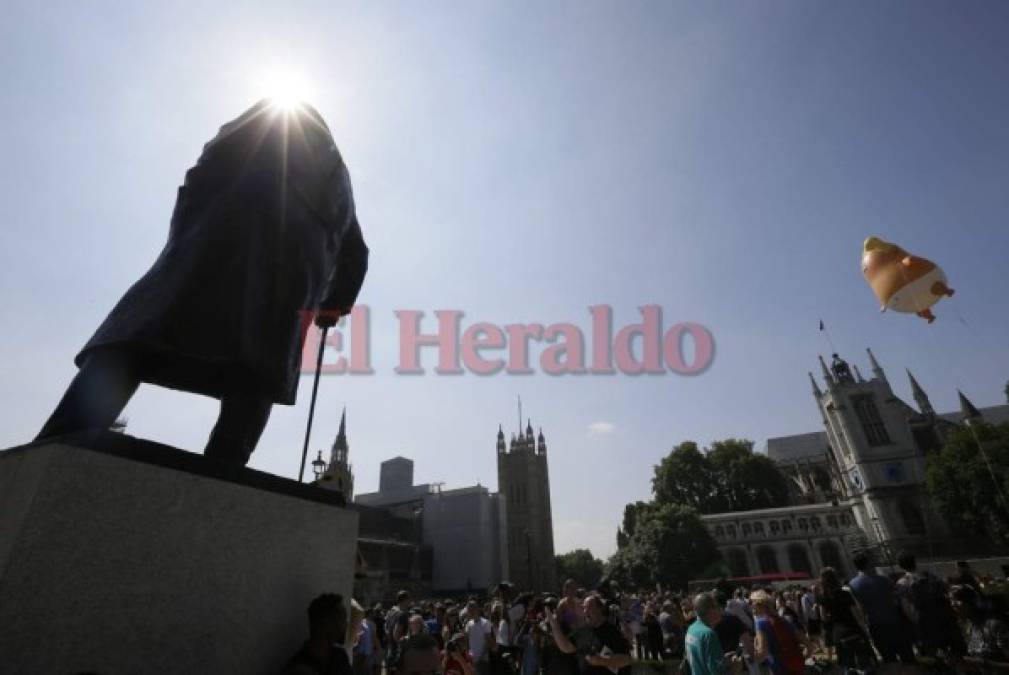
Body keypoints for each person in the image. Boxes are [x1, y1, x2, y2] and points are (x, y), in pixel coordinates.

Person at [35, 99, 369, 465]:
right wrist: (331, 308)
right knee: (257, 370)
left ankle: (67, 432)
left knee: (138, 339)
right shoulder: (339, 177)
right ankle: (226, 465)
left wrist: (188, 228)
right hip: (280, 283)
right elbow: (356, 254)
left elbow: (202, 170)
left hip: (210, 250)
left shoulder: (260, 122)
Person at [847, 552, 916, 666]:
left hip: (875, 626)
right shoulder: (885, 579)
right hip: (895, 622)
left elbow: (860, 610)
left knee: (890, 661)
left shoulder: (853, 585)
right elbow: (897, 600)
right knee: (908, 658)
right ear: (868, 564)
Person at [895, 549, 965, 660]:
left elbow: (906, 609)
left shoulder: (902, 583)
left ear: (900, 566)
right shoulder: (928, 575)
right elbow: (947, 588)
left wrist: (918, 623)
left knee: (936, 656)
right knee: (958, 652)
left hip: (926, 622)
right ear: (915, 561)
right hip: (945, 617)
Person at [545, 594, 633, 675]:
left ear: (600, 609)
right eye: (584, 608)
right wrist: (554, 624)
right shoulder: (583, 631)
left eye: (589, 607)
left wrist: (601, 660)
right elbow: (566, 647)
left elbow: (626, 660)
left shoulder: (612, 631)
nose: (585, 611)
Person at [815, 567, 873, 671]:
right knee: (865, 664)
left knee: (847, 666)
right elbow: (856, 614)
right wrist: (865, 629)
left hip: (838, 634)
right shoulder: (845, 594)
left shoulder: (822, 597)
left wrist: (832, 617)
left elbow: (823, 617)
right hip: (853, 629)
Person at [284, 593, 354, 675]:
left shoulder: (340, 656)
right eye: (342, 619)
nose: (346, 625)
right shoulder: (299, 668)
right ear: (326, 623)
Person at [682, 592, 743, 675]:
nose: (721, 609)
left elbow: (701, 660)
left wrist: (721, 659)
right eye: (718, 606)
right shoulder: (708, 635)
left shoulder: (691, 629)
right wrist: (736, 668)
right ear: (711, 610)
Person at [750, 590, 808, 675]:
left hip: (777, 668)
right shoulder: (785, 620)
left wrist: (750, 657)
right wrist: (800, 658)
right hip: (794, 667)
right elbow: (809, 646)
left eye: (752, 603)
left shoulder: (761, 623)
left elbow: (763, 653)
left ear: (757, 605)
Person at [951, 585, 1009, 668]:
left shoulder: (994, 626)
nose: (953, 607)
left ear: (971, 603)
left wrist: (983, 663)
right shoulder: (969, 628)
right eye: (952, 603)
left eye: (956, 603)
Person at [385, 591, 412, 675]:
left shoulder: (391, 613)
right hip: (398, 655)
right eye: (409, 600)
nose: (410, 602)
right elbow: (396, 636)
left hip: (390, 652)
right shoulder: (402, 615)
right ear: (405, 600)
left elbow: (386, 631)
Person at [465, 600, 495, 675]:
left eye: (472, 609)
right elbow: (467, 640)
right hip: (472, 660)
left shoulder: (485, 623)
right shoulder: (468, 624)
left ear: (477, 609)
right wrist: (468, 655)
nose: (470, 611)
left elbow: (488, 641)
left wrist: (480, 657)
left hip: (482, 660)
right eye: (469, 610)